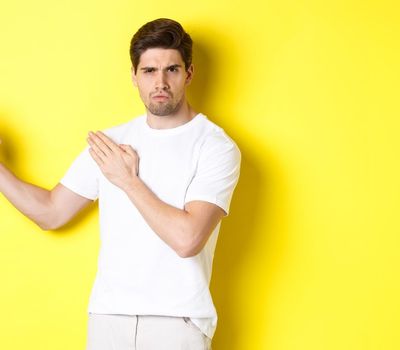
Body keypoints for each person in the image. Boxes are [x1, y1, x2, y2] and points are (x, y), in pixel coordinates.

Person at [0, 18, 241, 349]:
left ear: (189, 73)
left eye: (171, 70)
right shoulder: (110, 143)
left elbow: (187, 239)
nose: (161, 82)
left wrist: (127, 179)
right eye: (149, 71)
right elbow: (51, 213)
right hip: (109, 317)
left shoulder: (215, 146)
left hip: (176, 321)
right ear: (133, 76)